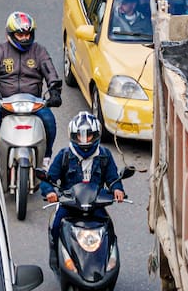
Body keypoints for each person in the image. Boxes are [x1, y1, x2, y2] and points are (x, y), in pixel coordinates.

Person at [42, 111, 126, 271]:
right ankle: (55, 255)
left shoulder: (104, 155)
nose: (84, 140)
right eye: (80, 136)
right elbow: (48, 179)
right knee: (55, 226)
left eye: (88, 136)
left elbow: (113, 178)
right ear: (73, 136)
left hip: (95, 204)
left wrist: (117, 189)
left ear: (96, 136)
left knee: (109, 230)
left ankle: (109, 259)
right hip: (70, 204)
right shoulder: (64, 155)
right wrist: (49, 192)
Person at [0, 11, 61, 156]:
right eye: (20, 35)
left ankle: (46, 157)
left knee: (49, 120)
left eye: (27, 34)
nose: (25, 38)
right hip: (3, 103)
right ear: (10, 34)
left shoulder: (39, 51)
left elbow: (50, 72)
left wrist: (54, 90)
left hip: (33, 103)